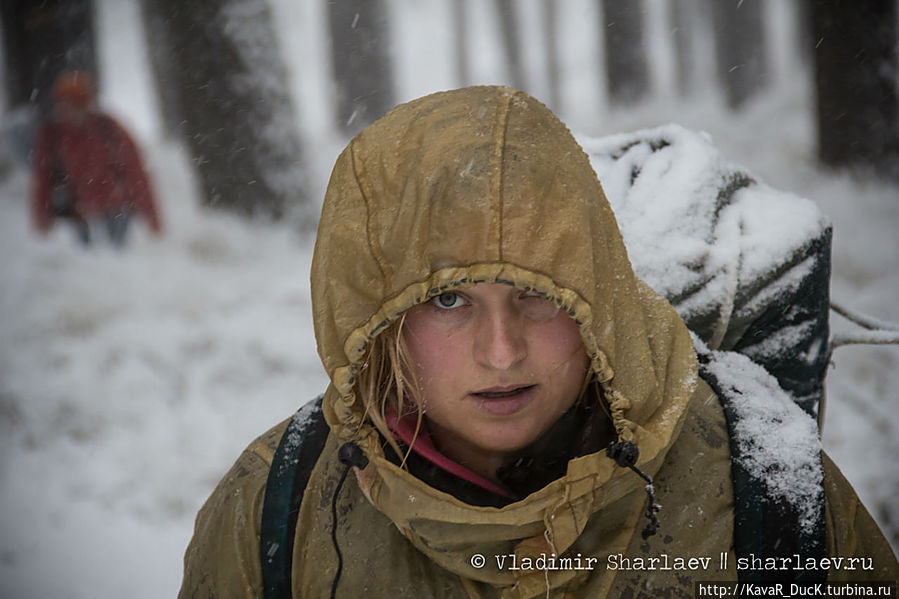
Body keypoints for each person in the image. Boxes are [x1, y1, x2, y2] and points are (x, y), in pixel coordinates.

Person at [179, 86, 897, 598]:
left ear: (599, 296)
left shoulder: (762, 491)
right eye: (447, 299)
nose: (501, 352)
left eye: (538, 295)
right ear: (377, 319)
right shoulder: (277, 507)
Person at [30, 70, 162, 246]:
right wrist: (41, 219)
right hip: (76, 214)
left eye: (78, 103)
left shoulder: (108, 129)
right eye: (66, 104)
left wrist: (152, 217)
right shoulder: (51, 135)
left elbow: (135, 173)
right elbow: (43, 178)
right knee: (83, 262)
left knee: (118, 257)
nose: (72, 110)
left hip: (116, 209)